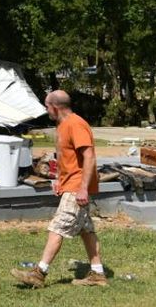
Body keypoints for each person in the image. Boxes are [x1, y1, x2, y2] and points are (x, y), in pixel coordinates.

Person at [11, 90, 106, 288]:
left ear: (55, 107)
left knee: (57, 227)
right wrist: (59, 181)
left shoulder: (76, 124)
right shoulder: (62, 125)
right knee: (86, 230)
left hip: (77, 187)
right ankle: (97, 274)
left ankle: (39, 273)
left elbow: (89, 156)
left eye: (47, 107)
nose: (46, 110)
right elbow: (68, 159)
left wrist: (83, 189)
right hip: (70, 184)